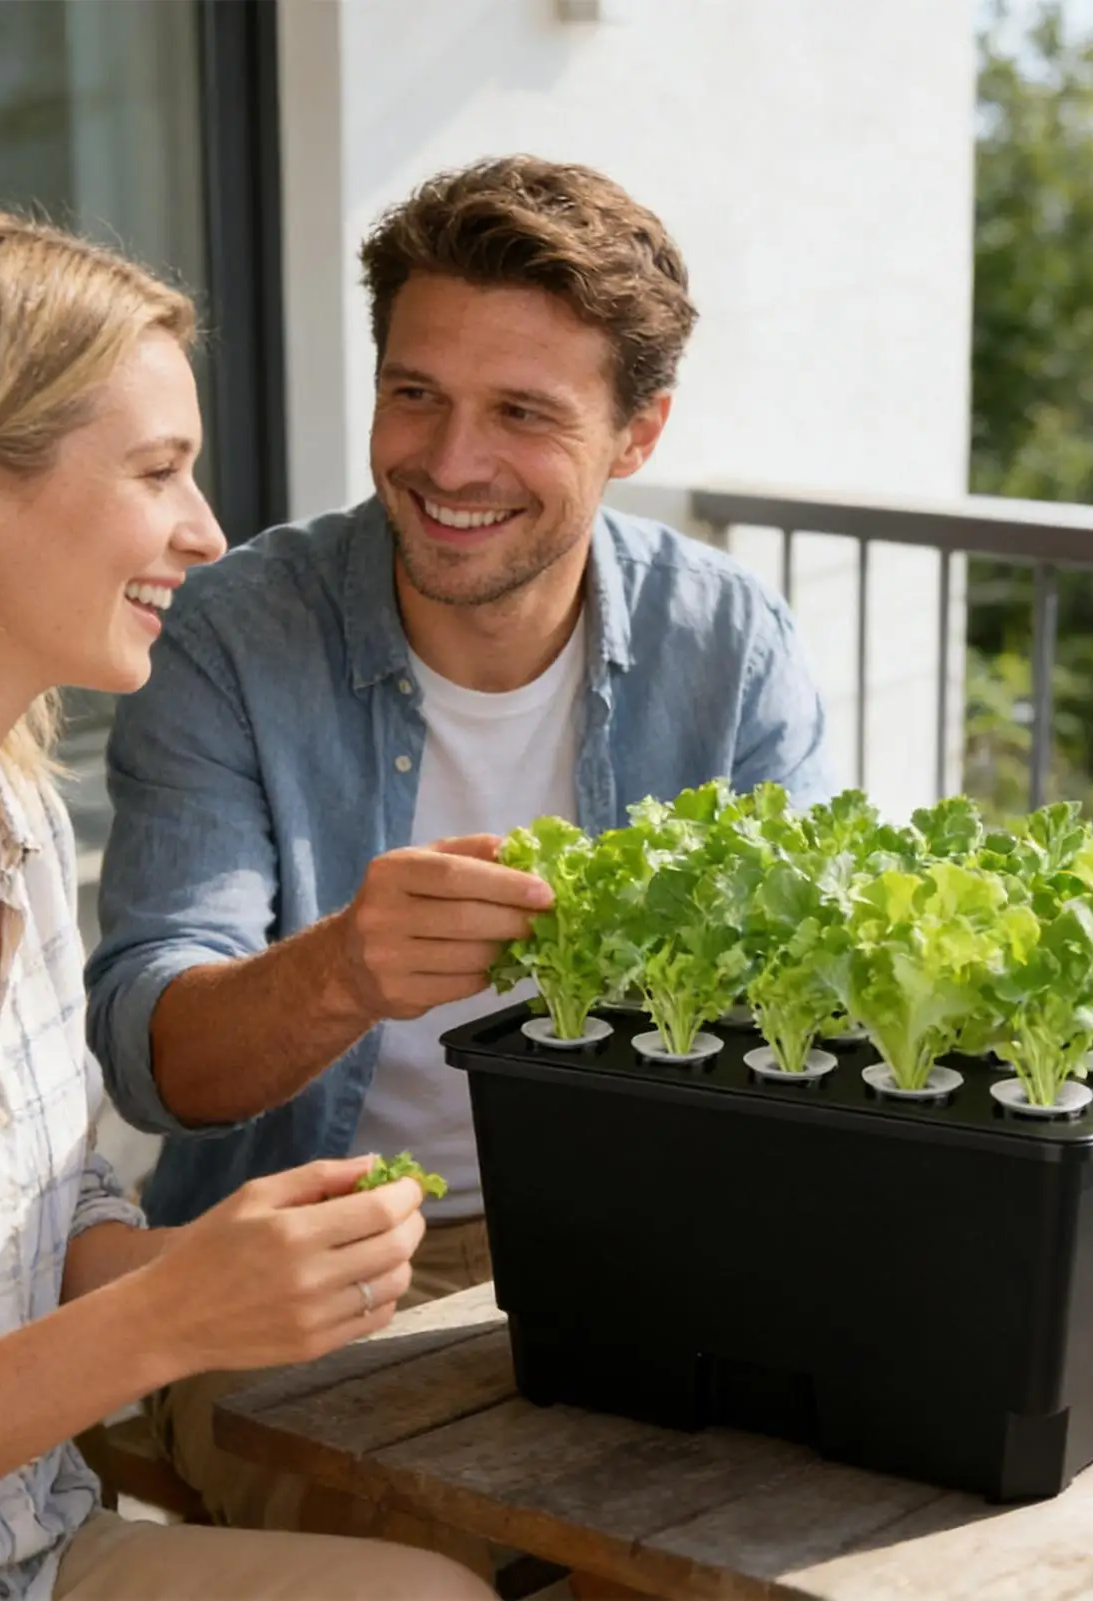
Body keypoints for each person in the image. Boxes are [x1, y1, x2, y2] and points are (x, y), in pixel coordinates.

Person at [85, 154, 835, 1537]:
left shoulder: (730, 648)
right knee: (463, 1551)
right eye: (415, 393)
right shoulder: (232, 634)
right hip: (304, 1258)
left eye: (522, 413)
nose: (449, 462)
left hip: (638, 1261)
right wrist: (343, 973)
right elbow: (156, 1061)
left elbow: (799, 1030)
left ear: (638, 433)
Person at [0, 204, 494, 1601]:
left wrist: (227, 1272)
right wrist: (164, 1320)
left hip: (38, 1558)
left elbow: (55, 1220)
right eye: (158, 471)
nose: (209, 533)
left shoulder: (20, 827)